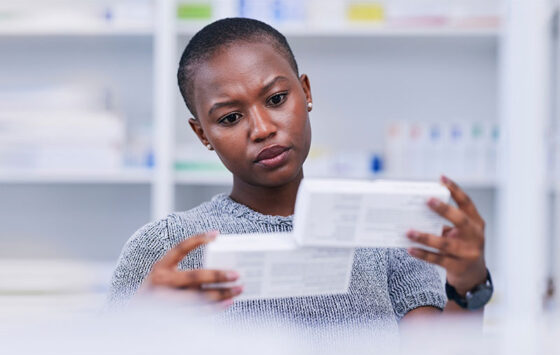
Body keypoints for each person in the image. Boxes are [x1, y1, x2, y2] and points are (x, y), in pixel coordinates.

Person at [108, 18, 490, 331]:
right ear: (202, 134)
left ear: (305, 92)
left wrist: (469, 283)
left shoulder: (383, 230)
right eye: (230, 118)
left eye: (276, 99)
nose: (261, 129)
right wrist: (139, 324)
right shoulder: (168, 247)